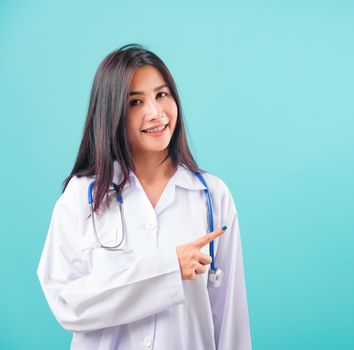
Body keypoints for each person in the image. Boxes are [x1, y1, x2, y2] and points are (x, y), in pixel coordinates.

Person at [37, 43, 251, 349]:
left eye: (162, 95)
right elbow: (66, 303)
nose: (155, 113)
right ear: (112, 113)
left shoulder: (212, 196)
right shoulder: (81, 196)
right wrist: (167, 270)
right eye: (135, 102)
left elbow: (231, 319)